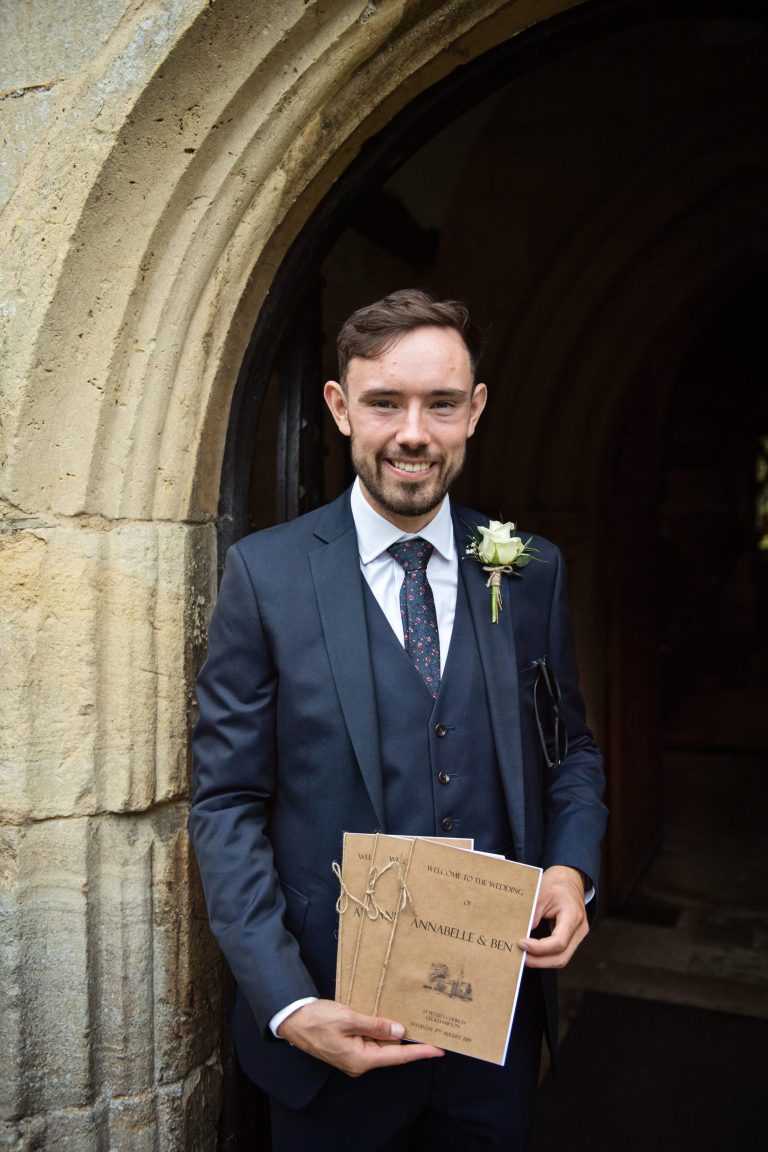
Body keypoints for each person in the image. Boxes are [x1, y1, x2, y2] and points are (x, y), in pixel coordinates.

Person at [189, 288, 607, 1151]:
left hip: (492, 1038)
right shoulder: (265, 579)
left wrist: (571, 870)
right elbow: (226, 806)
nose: (413, 432)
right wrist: (290, 1005)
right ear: (341, 408)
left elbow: (572, 754)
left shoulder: (530, 571)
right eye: (385, 402)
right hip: (332, 1027)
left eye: (441, 404)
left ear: (474, 411)